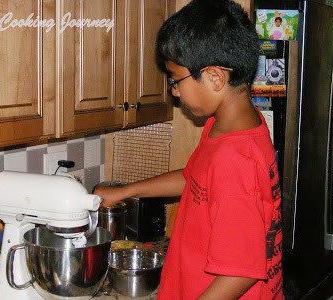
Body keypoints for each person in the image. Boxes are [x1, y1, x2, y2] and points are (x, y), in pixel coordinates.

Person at [93, 0, 283, 299]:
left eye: (175, 78)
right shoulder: (229, 125)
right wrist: (124, 191)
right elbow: (195, 178)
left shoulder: (235, 160)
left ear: (215, 78)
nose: (174, 90)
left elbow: (239, 273)